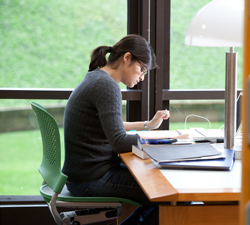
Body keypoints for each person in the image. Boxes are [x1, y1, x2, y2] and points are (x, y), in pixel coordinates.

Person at [63, 34, 189, 225]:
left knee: (158, 182)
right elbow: (120, 142)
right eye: (141, 69)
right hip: (90, 179)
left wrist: (148, 125)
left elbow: (113, 125)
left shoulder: (98, 78)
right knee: (172, 195)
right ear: (127, 58)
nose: (142, 77)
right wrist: (165, 142)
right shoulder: (107, 86)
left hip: (86, 173)